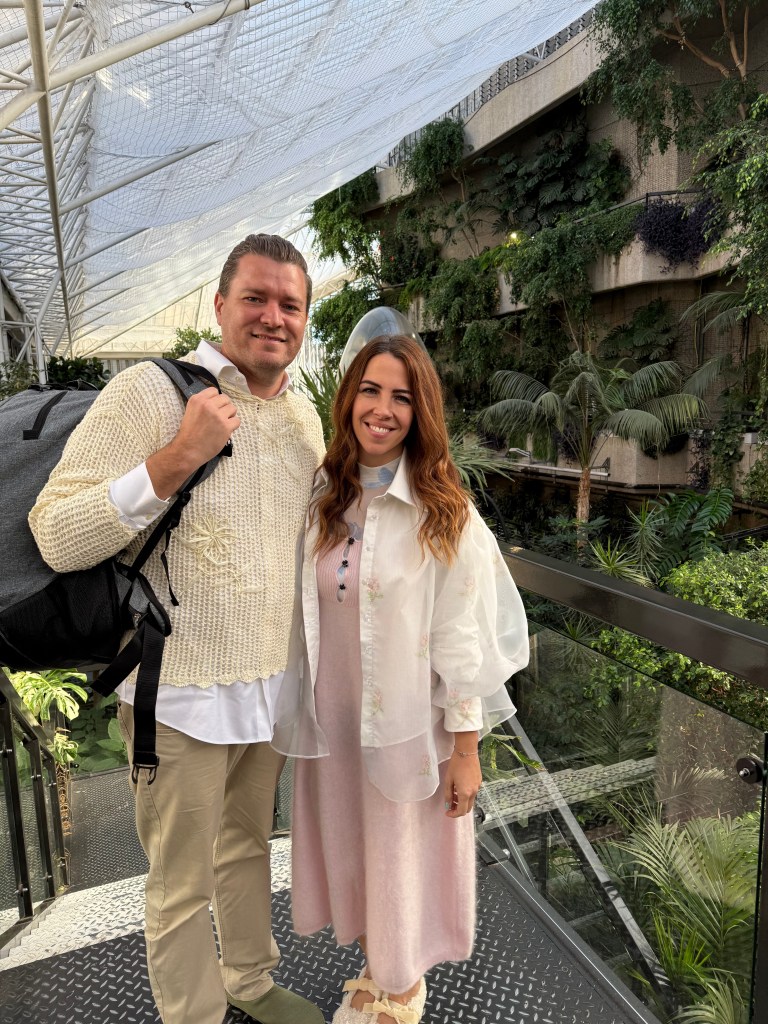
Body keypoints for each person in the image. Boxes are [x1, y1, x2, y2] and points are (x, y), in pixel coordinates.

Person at [29, 234, 326, 1024]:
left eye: (290, 305)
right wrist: (176, 458)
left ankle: (250, 982)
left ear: (305, 319)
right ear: (220, 305)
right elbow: (54, 532)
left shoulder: (303, 416)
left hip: (270, 687)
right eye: (255, 298)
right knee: (179, 884)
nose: (272, 317)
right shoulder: (148, 393)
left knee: (249, 848)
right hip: (177, 691)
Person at [273, 334, 530, 1024]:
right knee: (356, 847)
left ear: (421, 413)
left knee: (400, 851)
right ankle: (377, 965)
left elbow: (462, 638)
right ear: (348, 398)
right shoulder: (324, 494)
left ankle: (403, 985)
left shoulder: (443, 512)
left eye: (401, 397)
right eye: (370, 390)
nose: (382, 409)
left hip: (406, 723)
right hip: (334, 724)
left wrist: (467, 749)